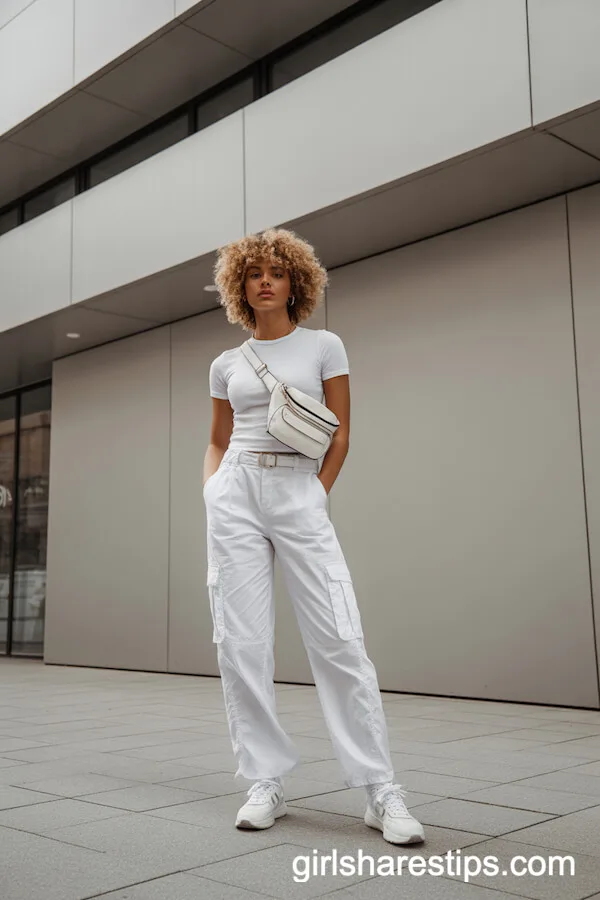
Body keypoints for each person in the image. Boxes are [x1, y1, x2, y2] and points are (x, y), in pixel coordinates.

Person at [203, 228, 425, 845]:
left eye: (277, 271)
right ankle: (264, 779)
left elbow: (342, 433)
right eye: (254, 273)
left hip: (299, 491)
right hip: (236, 493)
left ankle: (381, 790)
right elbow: (218, 439)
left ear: (297, 282)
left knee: (339, 638)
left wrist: (315, 493)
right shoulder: (225, 363)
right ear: (239, 286)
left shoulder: (324, 345)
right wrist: (212, 490)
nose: (265, 280)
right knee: (240, 641)